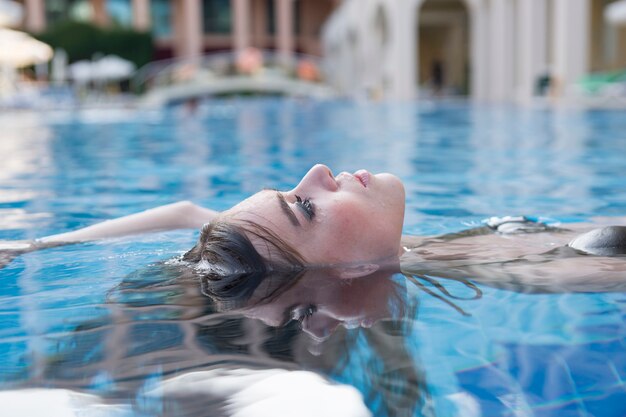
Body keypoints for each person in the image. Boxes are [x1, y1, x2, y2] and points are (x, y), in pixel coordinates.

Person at [2, 164, 626, 297]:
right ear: (347, 274)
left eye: (289, 191)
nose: (317, 172)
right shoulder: (531, 272)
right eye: (304, 207)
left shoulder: (382, 252)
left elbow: (187, 212)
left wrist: (34, 245)